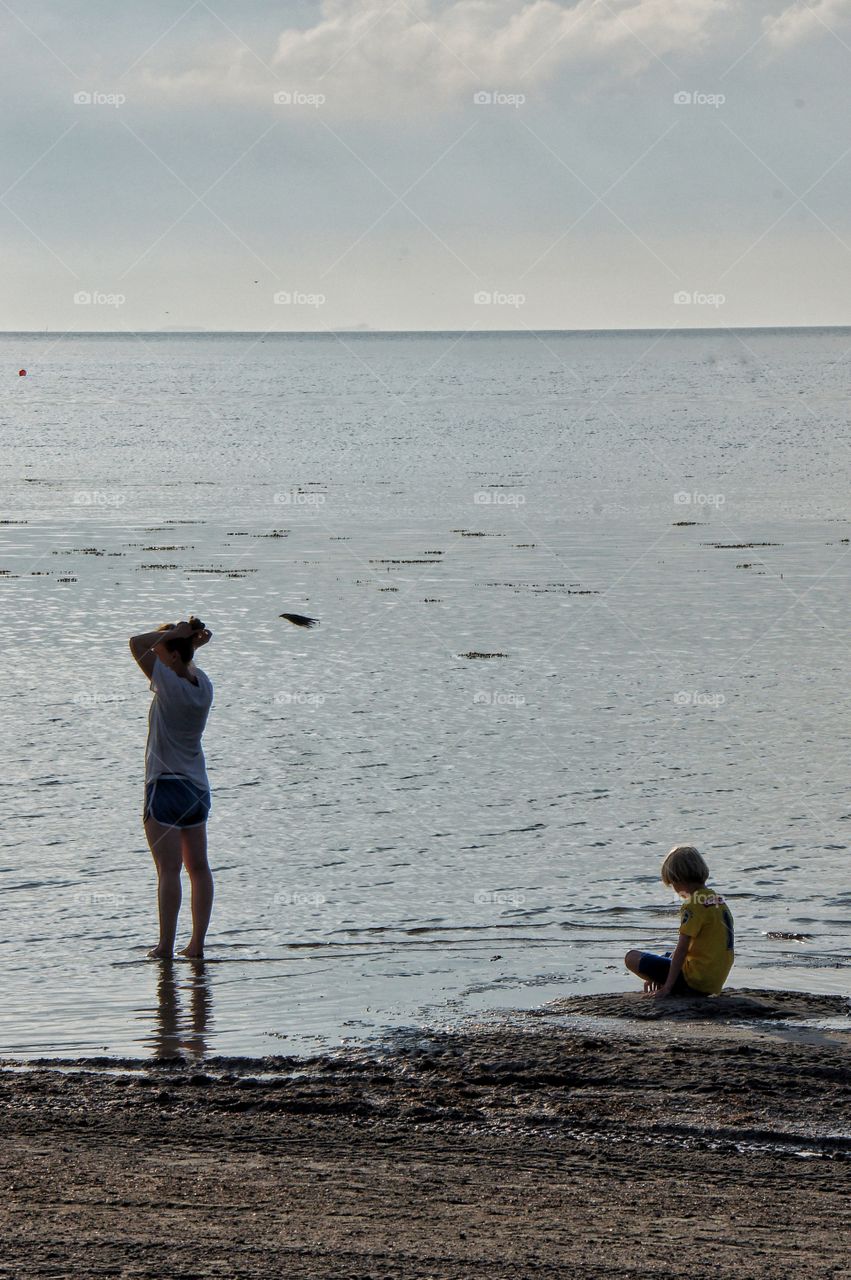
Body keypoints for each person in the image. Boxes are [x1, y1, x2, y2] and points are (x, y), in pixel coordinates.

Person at [129, 617, 214, 959]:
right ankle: (197, 946)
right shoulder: (203, 685)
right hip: (196, 789)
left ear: (173, 657)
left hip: (164, 786)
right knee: (199, 868)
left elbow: (136, 642)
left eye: (162, 653)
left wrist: (175, 635)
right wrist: (187, 643)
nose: (157, 658)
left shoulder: (167, 683)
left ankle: (164, 946)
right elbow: (183, 662)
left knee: (168, 870)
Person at [624, 845, 734, 998]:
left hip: (695, 982)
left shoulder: (692, 905)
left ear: (679, 879)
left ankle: (672, 985)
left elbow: (682, 949)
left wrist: (667, 988)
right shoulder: (719, 901)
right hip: (713, 981)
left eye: (672, 884)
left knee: (631, 957)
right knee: (668, 955)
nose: (673, 889)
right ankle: (664, 980)